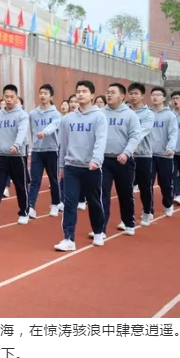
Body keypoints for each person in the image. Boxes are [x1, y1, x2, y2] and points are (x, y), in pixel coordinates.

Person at [55, 80, 107, 252]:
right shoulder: (67, 119)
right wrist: (61, 167)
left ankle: (98, 232)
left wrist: (96, 160)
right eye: (78, 91)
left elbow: (101, 140)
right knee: (69, 203)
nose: (80, 94)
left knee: (94, 201)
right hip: (71, 166)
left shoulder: (99, 117)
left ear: (92, 95)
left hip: (91, 167)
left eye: (84, 91)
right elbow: (63, 144)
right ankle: (68, 238)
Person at [99, 83, 140, 236]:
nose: (109, 95)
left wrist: (126, 153)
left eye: (113, 92)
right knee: (102, 194)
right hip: (104, 160)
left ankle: (129, 223)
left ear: (122, 96)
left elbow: (135, 136)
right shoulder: (100, 114)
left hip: (123, 160)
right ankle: (100, 228)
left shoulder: (130, 115)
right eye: (107, 92)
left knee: (125, 193)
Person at [0, 84, 30, 226]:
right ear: (3, 97)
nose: (9, 99)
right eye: (6, 97)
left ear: (16, 97)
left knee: (20, 186)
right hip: (0, 155)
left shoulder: (22, 115)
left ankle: (24, 212)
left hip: (17, 156)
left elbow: (22, 132)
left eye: (12, 97)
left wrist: (16, 145)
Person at [28, 84, 62, 217]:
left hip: (52, 150)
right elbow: (32, 130)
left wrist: (45, 132)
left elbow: (54, 126)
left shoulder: (56, 114)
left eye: (46, 93)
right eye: (41, 93)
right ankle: (30, 206)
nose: (42, 95)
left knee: (53, 179)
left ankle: (55, 204)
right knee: (35, 180)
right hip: (37, 151)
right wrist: (34, 143)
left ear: (51, 96)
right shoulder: (33, 114)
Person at [127, 83, 155, 226]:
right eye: (131, 93)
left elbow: (142, 132)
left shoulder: (148, 114)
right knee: (127, 187)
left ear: (143, 95)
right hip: (127, 155)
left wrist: (130, 144)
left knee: (145, 186)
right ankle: (128, 217)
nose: (133, 96)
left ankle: (147, 211)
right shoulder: (125, 111)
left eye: (136, 93)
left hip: (143, 155)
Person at [149, 87, 178, 218]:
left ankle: (168, 204)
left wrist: (170, 147)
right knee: (147, 183)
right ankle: (148, 210)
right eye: (153, 94)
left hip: (165, 154)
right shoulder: (148, 114)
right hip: (149, 154)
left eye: (158, 95)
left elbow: (173, 134)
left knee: (165, 183)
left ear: (164, 98)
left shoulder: (170, 115)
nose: (155, 97)